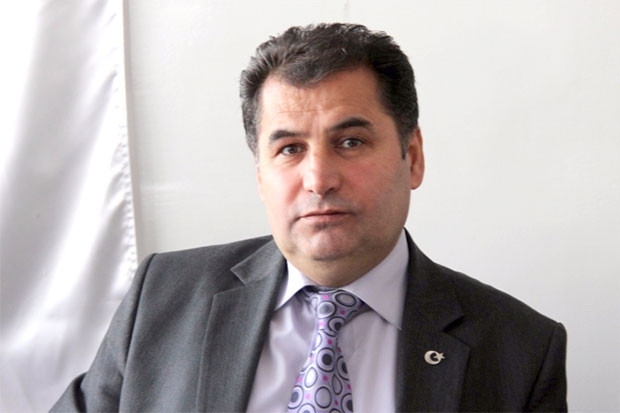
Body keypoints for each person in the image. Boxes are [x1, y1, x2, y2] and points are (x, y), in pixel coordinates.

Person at [52, 23, 567, 412]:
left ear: (412, 158)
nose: (318, 178)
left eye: (351, 142)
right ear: (261, 176)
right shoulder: (161, 296)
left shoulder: (520, 350)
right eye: (290, 149)